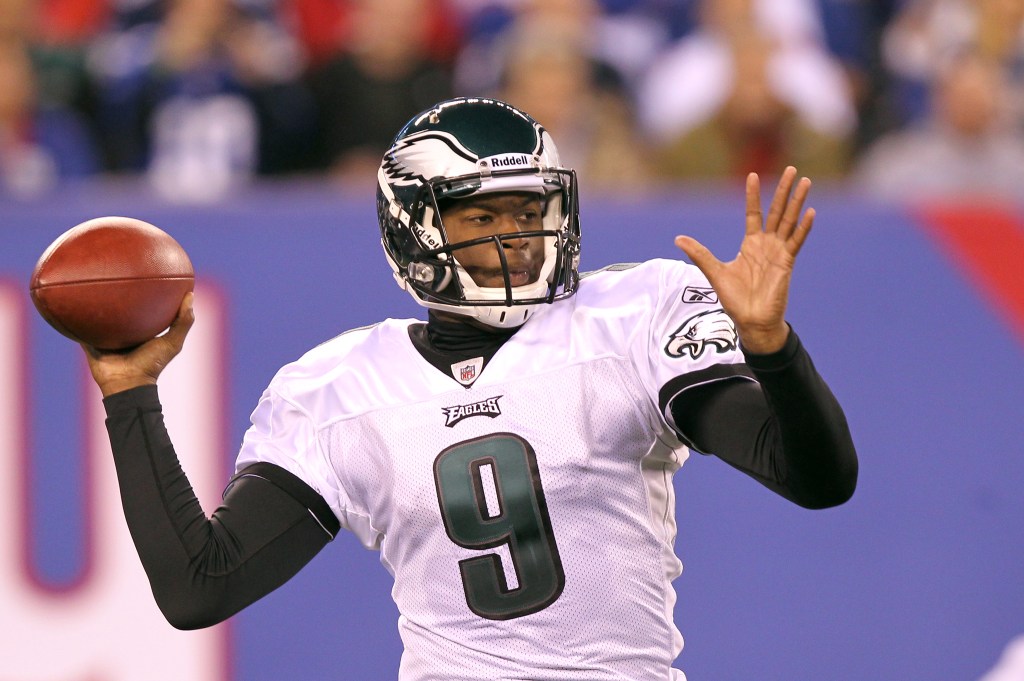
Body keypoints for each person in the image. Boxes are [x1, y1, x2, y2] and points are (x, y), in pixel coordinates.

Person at [83, 97, 858, 680]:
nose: (515, 234)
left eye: (529, 209)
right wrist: (129, 394)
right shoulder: (340, 388)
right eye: (480, 213)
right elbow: (199, 587)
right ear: (416, 228)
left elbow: (816, 477)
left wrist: (772, 348)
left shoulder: (626, 318)